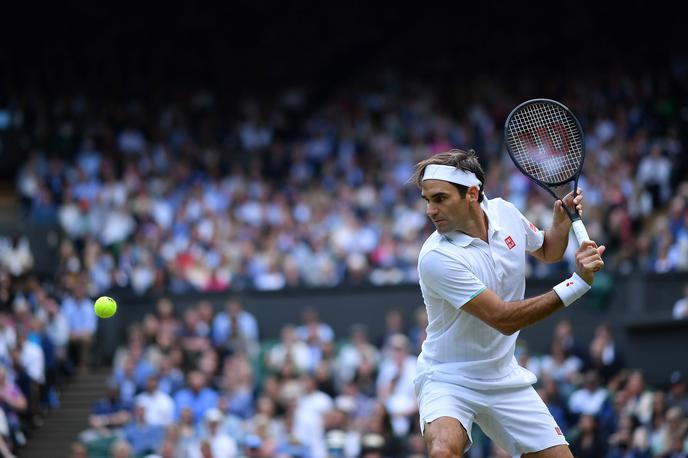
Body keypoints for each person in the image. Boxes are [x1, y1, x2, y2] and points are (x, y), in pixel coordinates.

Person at [410, 149, 605, 457]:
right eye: (427, 200)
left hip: (503, 375)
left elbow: (548, 251)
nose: (430, 210)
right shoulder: (437, 257)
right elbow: (503, 319)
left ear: (472, 194)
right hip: (448, 378)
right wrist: (577, 283)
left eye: (440, 198)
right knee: (443, 451)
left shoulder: (505, 213)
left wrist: (561, 224)